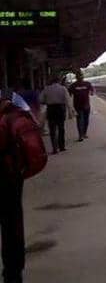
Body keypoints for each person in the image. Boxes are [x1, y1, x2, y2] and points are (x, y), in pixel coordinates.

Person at [0, 95, 35, 283]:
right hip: (10, 173)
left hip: (8, 172)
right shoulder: (13, 103)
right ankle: (13, 273)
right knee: (12, 223)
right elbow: (33, 123)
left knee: (11, 222)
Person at [39, 77, 69, 153]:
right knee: (61, 128)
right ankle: (62, 146)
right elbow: (67, 99)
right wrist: (70, 111)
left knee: (52, 129)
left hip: (51, 109)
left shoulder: (46, 89)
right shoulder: (63, 88)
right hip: (60, 109)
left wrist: (47, 101)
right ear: (59, 81)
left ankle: (54, 148)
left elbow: (41, 99)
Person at [68, 71, 94, 141]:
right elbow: (92, 92)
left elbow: (69, 95)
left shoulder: (73, 85)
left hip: (78, 105)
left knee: (80, 120)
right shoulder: (87, 84)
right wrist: (90, 92)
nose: (80, 77)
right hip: (85, 105)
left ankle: (81, 135)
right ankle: (83, 134)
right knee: (85, 120)